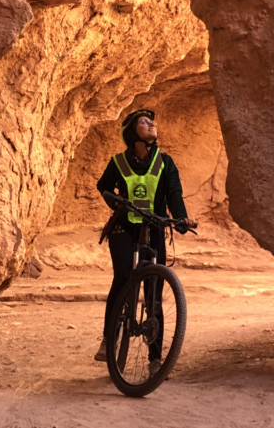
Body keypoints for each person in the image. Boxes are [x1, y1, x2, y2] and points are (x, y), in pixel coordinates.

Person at [93, 108, 196, 369]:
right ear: (131, 132)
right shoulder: (118, 162)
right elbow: (103, 185)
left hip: (154, 227)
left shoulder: (166, 162)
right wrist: (114, 201)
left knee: (154, 289)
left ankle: (155, 359)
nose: (152, 124)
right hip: (124, 226)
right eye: (144, 121)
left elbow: (174, 194)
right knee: (124, 277)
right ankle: (109, 339)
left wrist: (181, 218)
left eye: (151, 121)